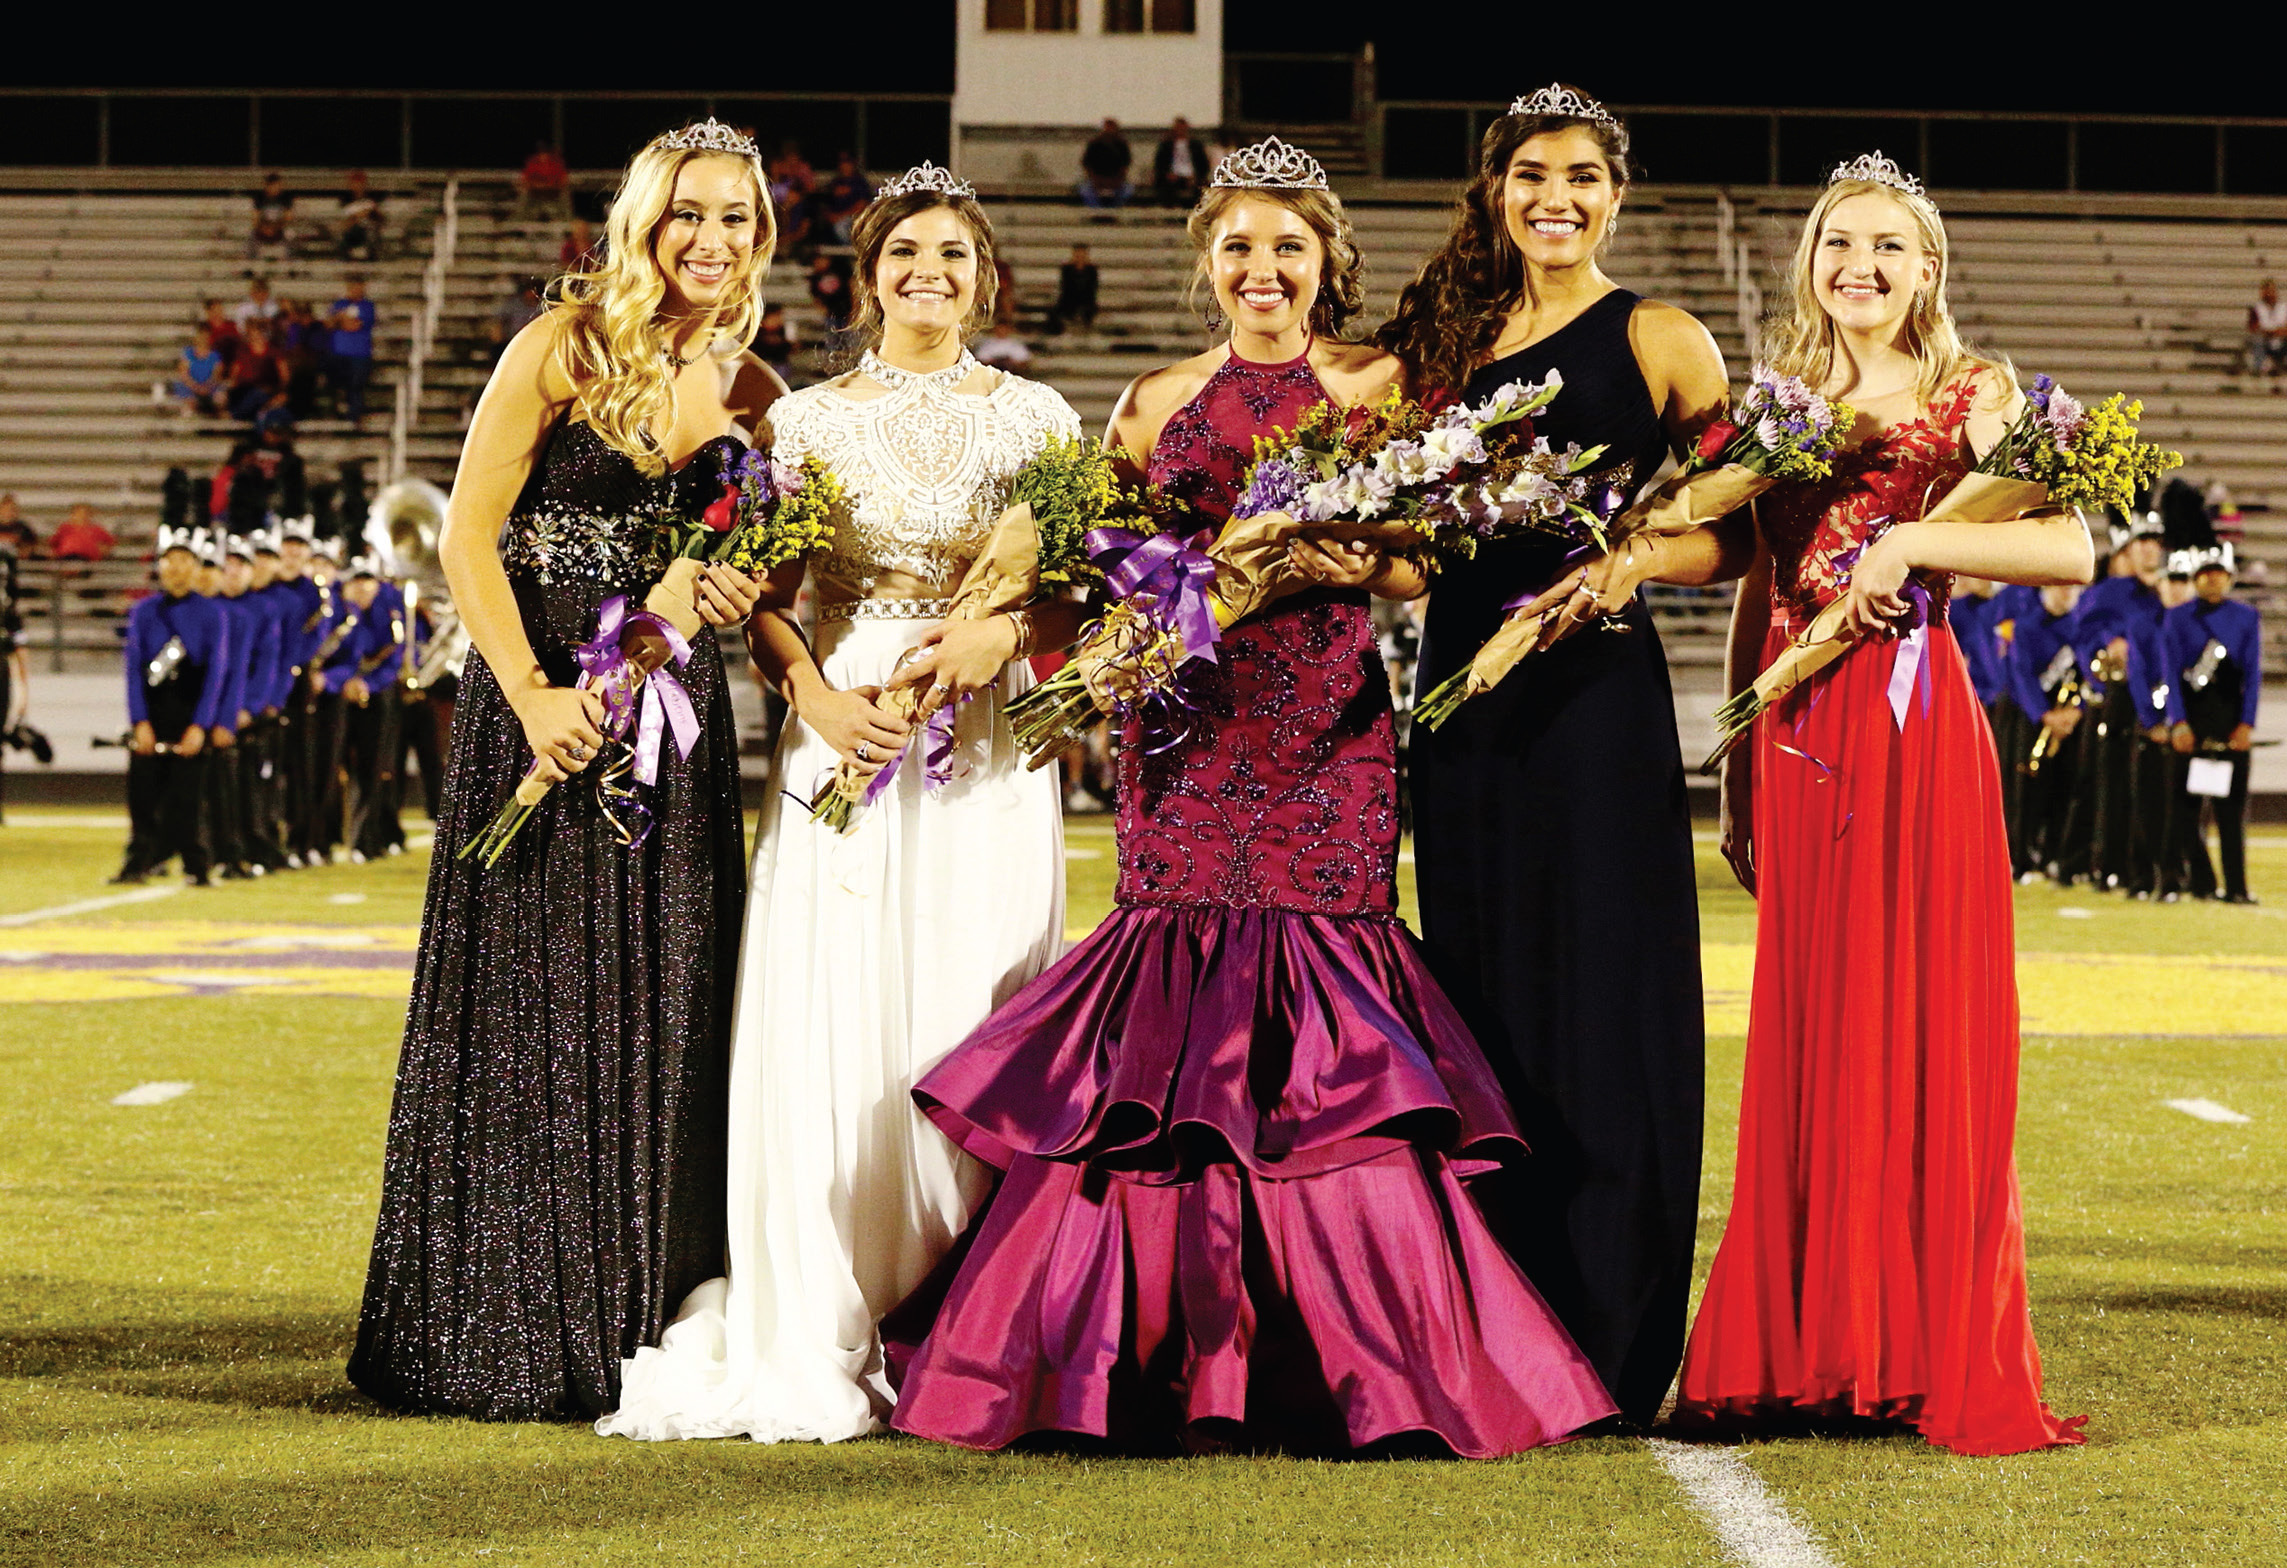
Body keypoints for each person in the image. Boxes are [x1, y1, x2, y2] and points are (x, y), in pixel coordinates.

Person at [887, 138, 1613, 1457]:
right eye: (1236, 247)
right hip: (1183, 730)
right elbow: (1100, 559)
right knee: (1168, 1016)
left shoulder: (1383, 385)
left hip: (1320, 729)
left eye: (1286, 246)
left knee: (1318, 1010)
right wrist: (1077, 618)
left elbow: (1414, 573)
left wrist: (1356, 548)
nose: (1261, 269)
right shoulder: (1152, 395)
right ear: (1205, 263)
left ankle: (1355, 1364)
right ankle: (1126, 1359)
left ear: (1326, 260)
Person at [596, 161, 1083, 1446]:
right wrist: (811, 694)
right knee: (841, 1009)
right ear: (865, 278)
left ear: (987, 279)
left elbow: (1075, 600)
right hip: (847, 730)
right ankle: (830, 1294)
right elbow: (757, 594)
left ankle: (970, 1320)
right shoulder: (801, 421)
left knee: (978, 994)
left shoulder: (1044, 420)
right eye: (905, 254)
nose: (931, 274)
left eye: (955, 256)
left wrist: (1001, 639)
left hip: (982, 733)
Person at [349, 117, 784, 1421]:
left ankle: (630, 1329)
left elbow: (759, 578)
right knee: (531, 1007)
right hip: (536, 709)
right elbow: (468, 540)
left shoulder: (759, 394)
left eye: (734, 219)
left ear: (761, 237)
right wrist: (535, 697)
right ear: (645, 224)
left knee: (663, 998)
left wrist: (732, 587)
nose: (709, 241)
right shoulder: (561, 346)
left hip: (674, 724)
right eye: (687, 215)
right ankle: (492, 1329)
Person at [1677, 153, 2092, 1455]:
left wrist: (1912, 542)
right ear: (1807, 261)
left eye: (1885, 249)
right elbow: (1756, 583)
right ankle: (1802, 1352)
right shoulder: (1780, 399)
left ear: (1927, 272)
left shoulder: (1973, 394)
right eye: (1834, 244)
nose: (1856, 266)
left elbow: (2067, 547)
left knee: (1917, 1022)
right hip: (1798, 739)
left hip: (1915, 736)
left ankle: (1911, 1353)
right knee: (1808, 1029)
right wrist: (1737, 762)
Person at [1374, 85, 1742, 1428]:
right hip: (1462, 696)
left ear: (1613, 192)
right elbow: (1410, 564)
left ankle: (1610, 1319)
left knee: (1604, 989)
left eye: (1581, 176)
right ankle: (1493, 1320)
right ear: (1495, 186)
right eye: (1532, 173)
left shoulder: (1658, 335)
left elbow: (1732, 521)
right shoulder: (1444, 337)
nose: (1556, 198)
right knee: (1477, 986)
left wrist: (1631, 562)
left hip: (1590, 695)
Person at [115, 528, 232, 886]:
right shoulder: (144, 612)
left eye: (184, 561)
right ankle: (139, 862)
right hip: (154, 709)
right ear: (160, 566)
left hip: (190, 707)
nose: (177, 568)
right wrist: (139, 720)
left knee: (189, 794)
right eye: (170, 560)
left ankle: (197, 865)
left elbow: (216, 673)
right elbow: (133, 670)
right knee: (144, 793)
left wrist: (201, 724)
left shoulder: (212, 614)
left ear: (196, 568)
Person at [2163, 543, 2261, 903]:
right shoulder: (2176, 617)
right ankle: (2193, 881)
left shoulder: (2246, 617)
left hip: (2229, 720)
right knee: (2185, 811)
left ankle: (2236, 888)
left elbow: (2251, 675)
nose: (2212, 581)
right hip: (2193, 720)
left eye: (2219, 574)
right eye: (2205, 575)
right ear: (2196, 579)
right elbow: (2170, 674)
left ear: (2230, 578)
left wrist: (2247, 723)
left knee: (2231, 812)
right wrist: (2179, 722)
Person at [2074, 514, 2167, 890]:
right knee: (2111, 781)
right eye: (2141, 542)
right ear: (2129, 549)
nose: (2149, 549)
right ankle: (2109, 865)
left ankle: (2159, 867)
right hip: (2119, 696)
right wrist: (2106, 648)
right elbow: (2084, 636)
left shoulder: (2170, 588)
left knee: (2158, 785)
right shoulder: (2110, 591)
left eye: (2154, 542)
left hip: (2163, 696)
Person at [227, 320, 288, 425]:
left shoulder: (273, 351)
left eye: (258, 333)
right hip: (245, 390)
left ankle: (236, 414)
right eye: (252, 334)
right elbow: (234, 374)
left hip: (267, 390)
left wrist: (281, 392)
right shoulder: (243, 351)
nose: (255, 337)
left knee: (260, 396)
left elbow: (284, 375)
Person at [816, 151, 873, 243]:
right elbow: (825, 204)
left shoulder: (859, 183)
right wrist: (829, 216)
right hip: (834, 218)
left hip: (852, 219)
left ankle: (850, 253)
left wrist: (840, 216)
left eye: (847, 162)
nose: (844, 165)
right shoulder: (835, 182)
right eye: (841, 162)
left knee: (840, 227)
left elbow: (862, 205)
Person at [1078, 118, 1134, 208]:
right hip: (1096, 180)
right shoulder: (1094, 144)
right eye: (1107, 128)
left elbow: (1125, 166)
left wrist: (1116, 182)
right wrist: (1096, 180)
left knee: (1127, 191)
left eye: (1112, 128)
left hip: (1116, 181)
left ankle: (1114, 211)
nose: (1109, 131)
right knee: (1085, 192)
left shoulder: (1122, 145)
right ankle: (1096, 212)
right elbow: (1087, 164)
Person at [173, 325, 226, 417]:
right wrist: (196, 387)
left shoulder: (215, 355)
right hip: (190, 385)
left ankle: (217, 418)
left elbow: (217, 375)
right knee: (188, 400)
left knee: (221, 397)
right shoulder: (188, 353)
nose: (203, 339)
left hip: (209, 386)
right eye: (201, 336)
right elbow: (183, 373)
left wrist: (207, 387)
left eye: (206, 336)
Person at [515, 141, 572, 223]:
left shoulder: (557, 162)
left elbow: (563, 181)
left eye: (545, 151)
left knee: (565, 194)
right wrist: (537, 186)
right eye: (541, 151)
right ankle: (519, 222)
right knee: (524, 194)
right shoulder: (532, 161)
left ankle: (568, 221)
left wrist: (549, 186)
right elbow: (525, 180)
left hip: (554, 193)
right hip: (535, 193)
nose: (543, 153)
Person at [1153, 116, 1203, 206]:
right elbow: (1159, 163)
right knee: (1166, 188)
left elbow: (1203, 163)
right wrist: (1167, 174)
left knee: (1200, 189)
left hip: (1191, 175)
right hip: (1173, 175)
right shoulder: (1166, 145)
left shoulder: (1195, 145)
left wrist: (1196, 175)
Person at [1049, 243, 1099, 334]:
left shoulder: (1092, 270)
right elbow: (1064, 287)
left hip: (1086, 301)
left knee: (1089, 310)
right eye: (1077, 253)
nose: (1080, 256)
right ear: (1074, 254)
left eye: (1082, 254)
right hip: (1069, 300)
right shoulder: (1066, 269)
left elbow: (1093, 289)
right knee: (1053, 312)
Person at [336, 170, 383, 260]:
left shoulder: (371, 199)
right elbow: (345, 220)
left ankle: (371, 258)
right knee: (344, 233)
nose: (357, 186)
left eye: (360, 183)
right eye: (354, 183)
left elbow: (379, 219)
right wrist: (358, 216)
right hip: (351, 230)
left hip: (367, 230)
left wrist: (371, 213)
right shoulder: (345, 200)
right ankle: (346, 258)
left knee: (371, 233)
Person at [2244, 279, 2286, 377]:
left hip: (2282, 339)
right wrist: (2270, 332)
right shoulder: (2256, 308)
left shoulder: (2284, 307)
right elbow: (2253, 328)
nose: (2269, 293)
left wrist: (2277, 332)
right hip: (2264, 340)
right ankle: (2258, 370)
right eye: (2267, 291)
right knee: (2256, 340)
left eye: (2272, 290)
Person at [49, 504, 114, 563]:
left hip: (87, 559)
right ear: (73, 515)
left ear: (90, 516)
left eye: (86, 514)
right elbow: (53, 543)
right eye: (79, 514)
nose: (82, 516)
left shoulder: (96, 529)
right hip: (66, 557)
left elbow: (110, 542)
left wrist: (103, 550)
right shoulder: (65, 527)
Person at [249, 173, 293, 259]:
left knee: (290, 234)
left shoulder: (286, 197)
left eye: (277, 185)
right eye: (272, 186)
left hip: (279, 228)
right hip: (263, 228)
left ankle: (291, 265)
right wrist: (263, 228)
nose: (274, 188)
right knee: (251, 235)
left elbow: (288, 218)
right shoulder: (259, 197)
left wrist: (275, 228)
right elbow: (255, 218)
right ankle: (249, 266)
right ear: (267, 186)